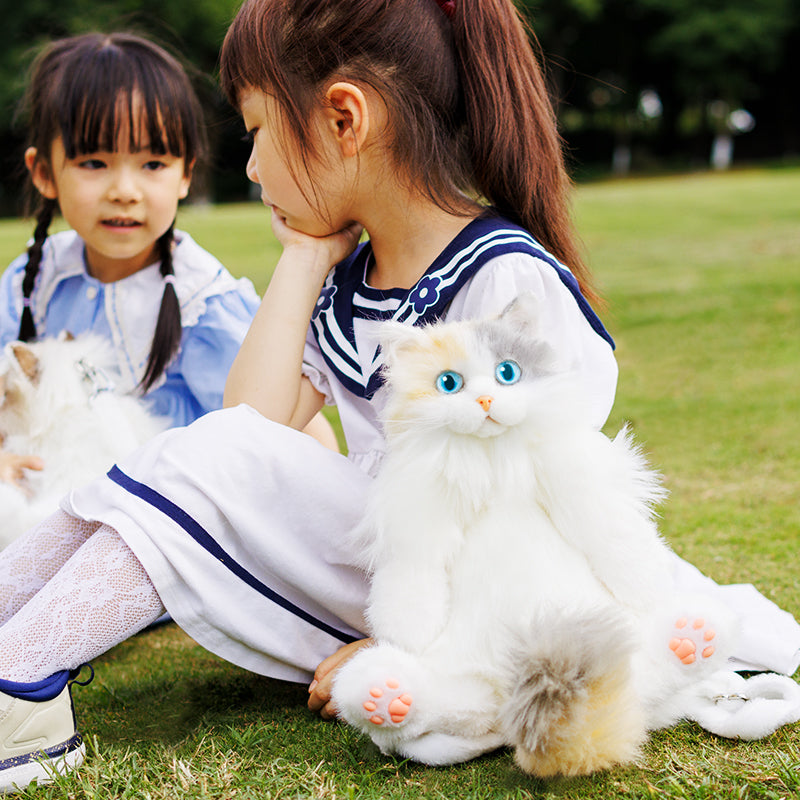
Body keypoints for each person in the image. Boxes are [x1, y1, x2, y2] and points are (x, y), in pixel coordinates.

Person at [0, 0, 797, 792]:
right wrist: (304, 259)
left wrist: (417, 646)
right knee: (186, 461)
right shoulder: (348, 283)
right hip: (400, 563)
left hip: (495, 589)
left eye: (258, 131)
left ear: (344, 119)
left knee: (203, 459)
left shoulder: (503, 276)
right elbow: (251, 425)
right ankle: (13, 660)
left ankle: (20, 684)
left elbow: (551, 500)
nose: (251, 168)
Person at [0, 31, 337, 492]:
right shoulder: (33, 279)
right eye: (94, 163)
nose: (125, 191)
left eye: (153, 164)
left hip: (166, 516)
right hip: (52, 502)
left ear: (185, 174)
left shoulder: (203, 303)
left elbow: (305, 437)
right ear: (44, 173)